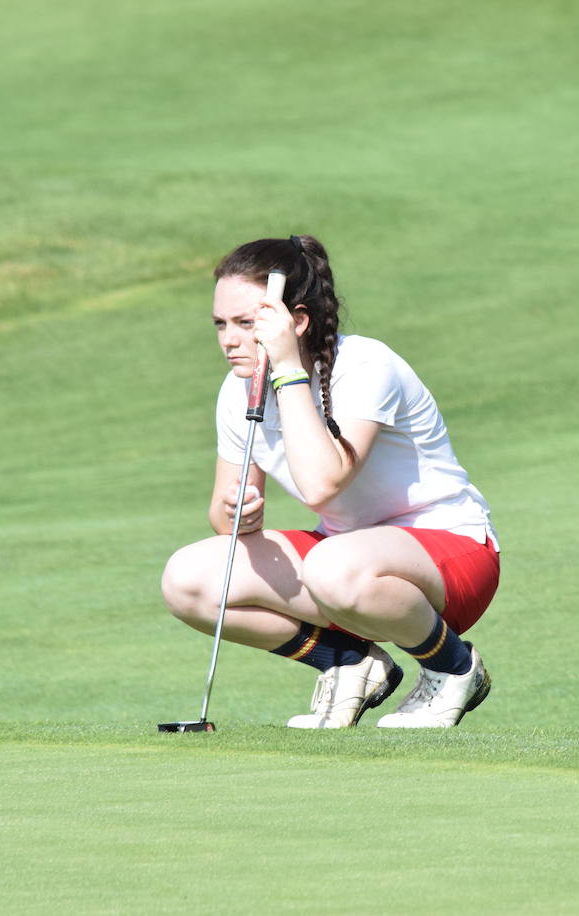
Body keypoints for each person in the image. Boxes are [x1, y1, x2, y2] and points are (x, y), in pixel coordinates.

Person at [160, 234, 500, 728]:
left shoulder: (364, 364)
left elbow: (322, 485)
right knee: (187, 580)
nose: (228, 339)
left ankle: (453, 667)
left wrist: (288, 370)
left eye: (247, 323)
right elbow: (223, 519)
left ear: (294, 320)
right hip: (342, 556)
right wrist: (237, 510)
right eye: (221, 324)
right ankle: (346, 662)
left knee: (331, 567)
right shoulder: (236, 391)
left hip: (453, 552)